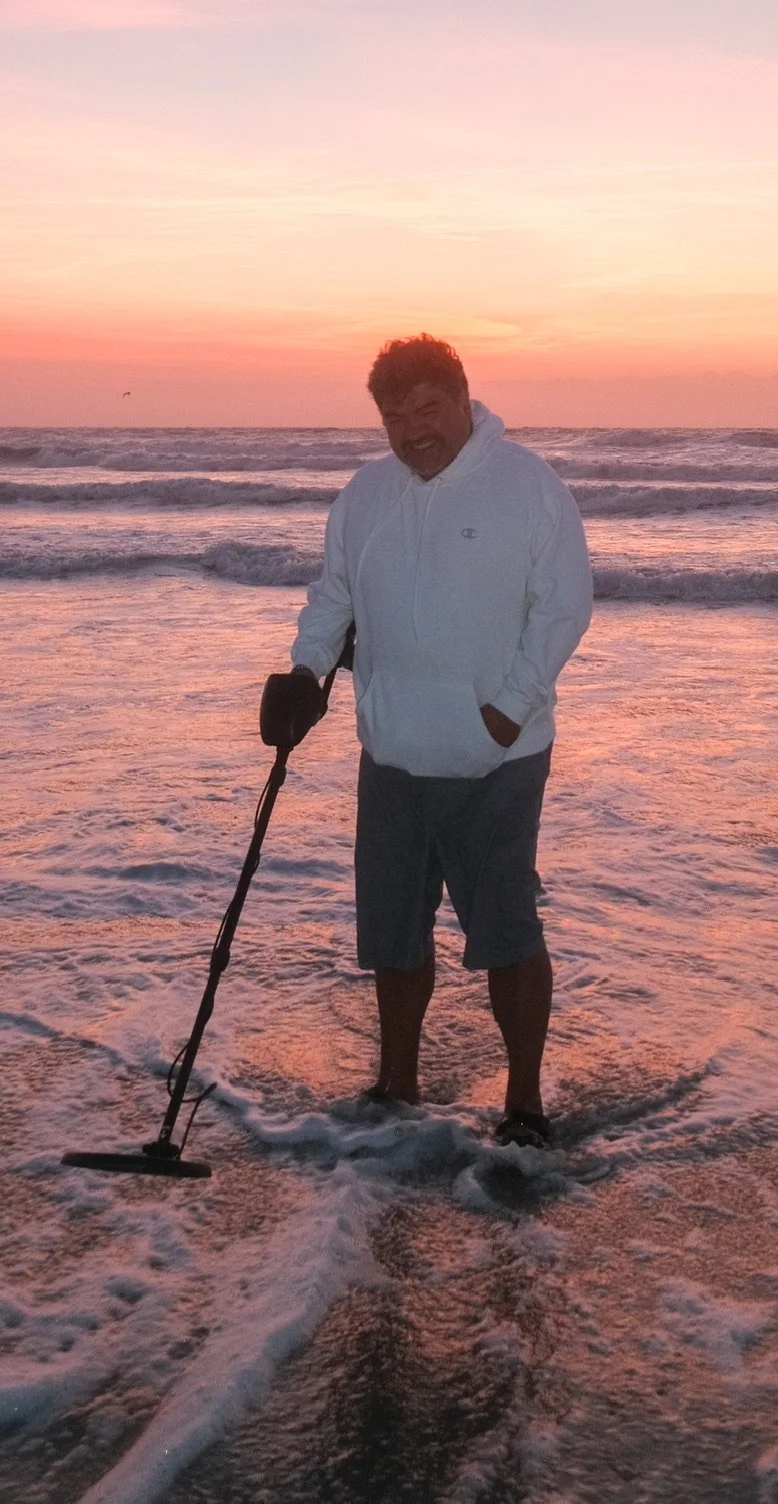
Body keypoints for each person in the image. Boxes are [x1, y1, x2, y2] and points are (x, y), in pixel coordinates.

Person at [260, 335, 593, 1147]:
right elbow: (333, 594)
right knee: (394, 931)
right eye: (393, 416)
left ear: (463, 398)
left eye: (427, 409)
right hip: (394, 752)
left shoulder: (528, 487)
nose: (413, 431)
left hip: (496, 758)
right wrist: (306, 672)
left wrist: (509, 710)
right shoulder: (365, 495)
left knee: (506, 927)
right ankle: (397, 1082)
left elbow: (564, 605)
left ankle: (523, 1103)